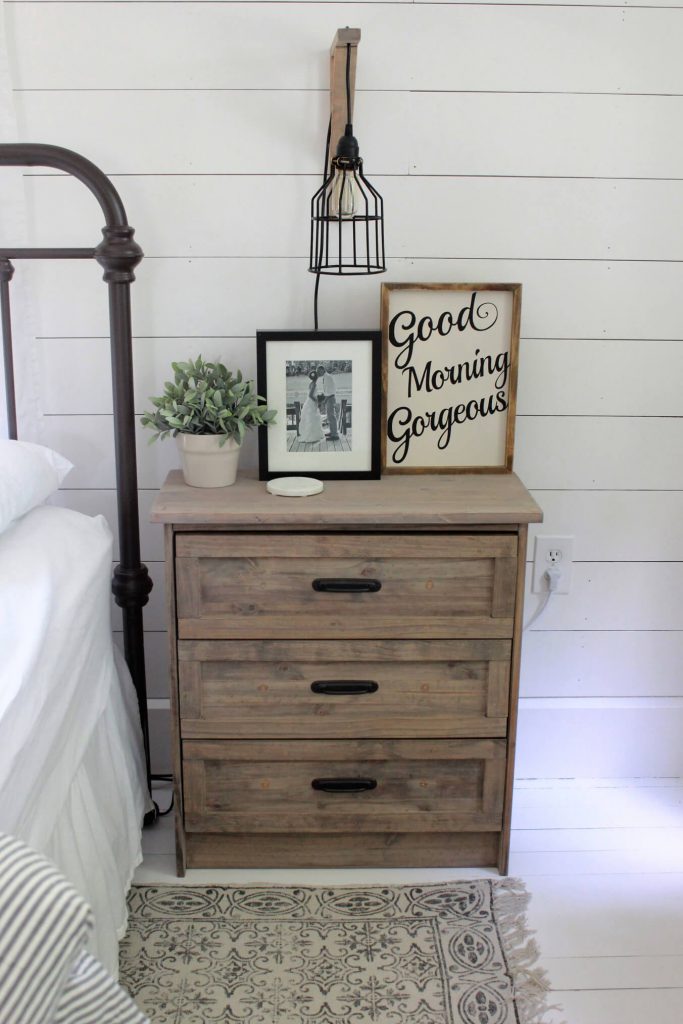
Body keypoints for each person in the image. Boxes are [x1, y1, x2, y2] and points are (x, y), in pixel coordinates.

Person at [298, 370, 324, 443]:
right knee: (312, 417)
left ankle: (312, 434)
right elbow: (310, 395)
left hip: (309, 402)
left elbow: (311, 393)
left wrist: (317, 397)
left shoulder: (311, 383)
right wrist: (316, 400)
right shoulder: (314, 384)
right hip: (311, 402)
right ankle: (311, 435)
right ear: (317, 377)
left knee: (311, 417)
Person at [316, 363, 339, 441]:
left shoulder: (328, 377)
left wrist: (325, 400)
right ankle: (332, 432)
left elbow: (331, 391)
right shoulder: (325, 377)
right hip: (329, 398)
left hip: (330, 398)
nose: (318, 373)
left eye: (319, 371)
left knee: (331, 416)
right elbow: (327, 390)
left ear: (322, 370)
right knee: (329, 416)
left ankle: (335, 435)